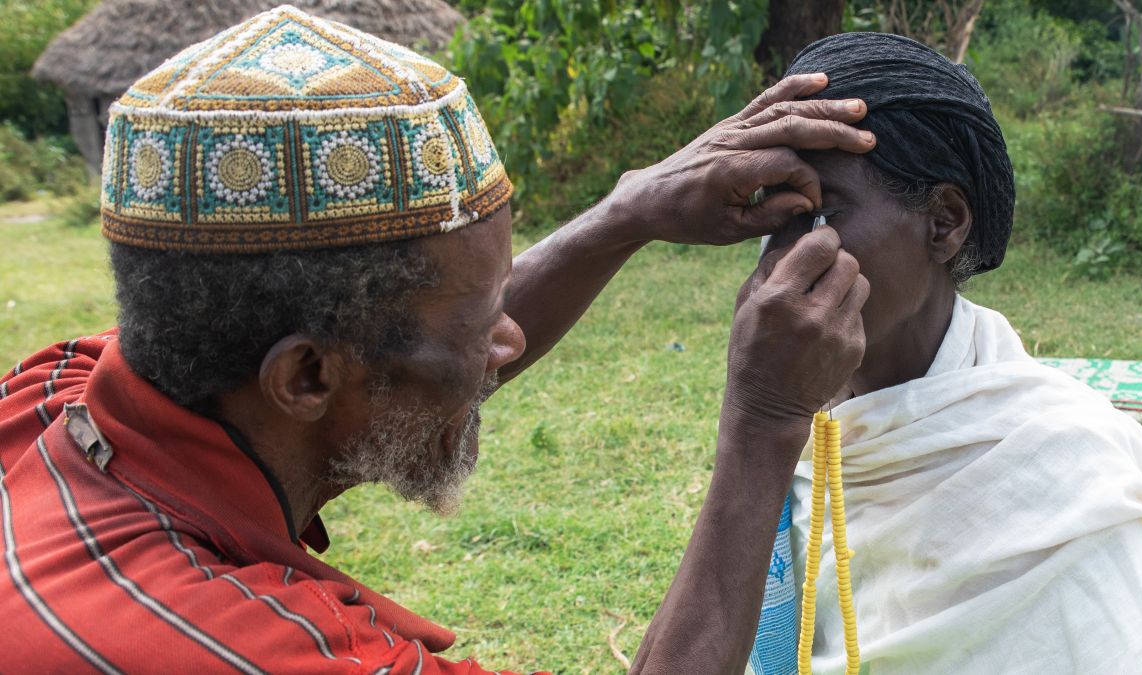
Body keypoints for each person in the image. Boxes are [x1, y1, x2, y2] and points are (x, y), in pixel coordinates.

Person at [0, 6, 876, 673]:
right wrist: (765, 421)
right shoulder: (252, 650)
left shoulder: (55, 400)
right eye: (480, 316)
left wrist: (624, 214)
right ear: (304, 376)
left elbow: (395, 364)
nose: (508, 340)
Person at [744, 32, 1142, 674]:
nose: (782, 258)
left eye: (821, 212)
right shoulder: (793, 412)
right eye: (773, 212)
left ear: (944, 221)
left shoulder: (1064, 482)